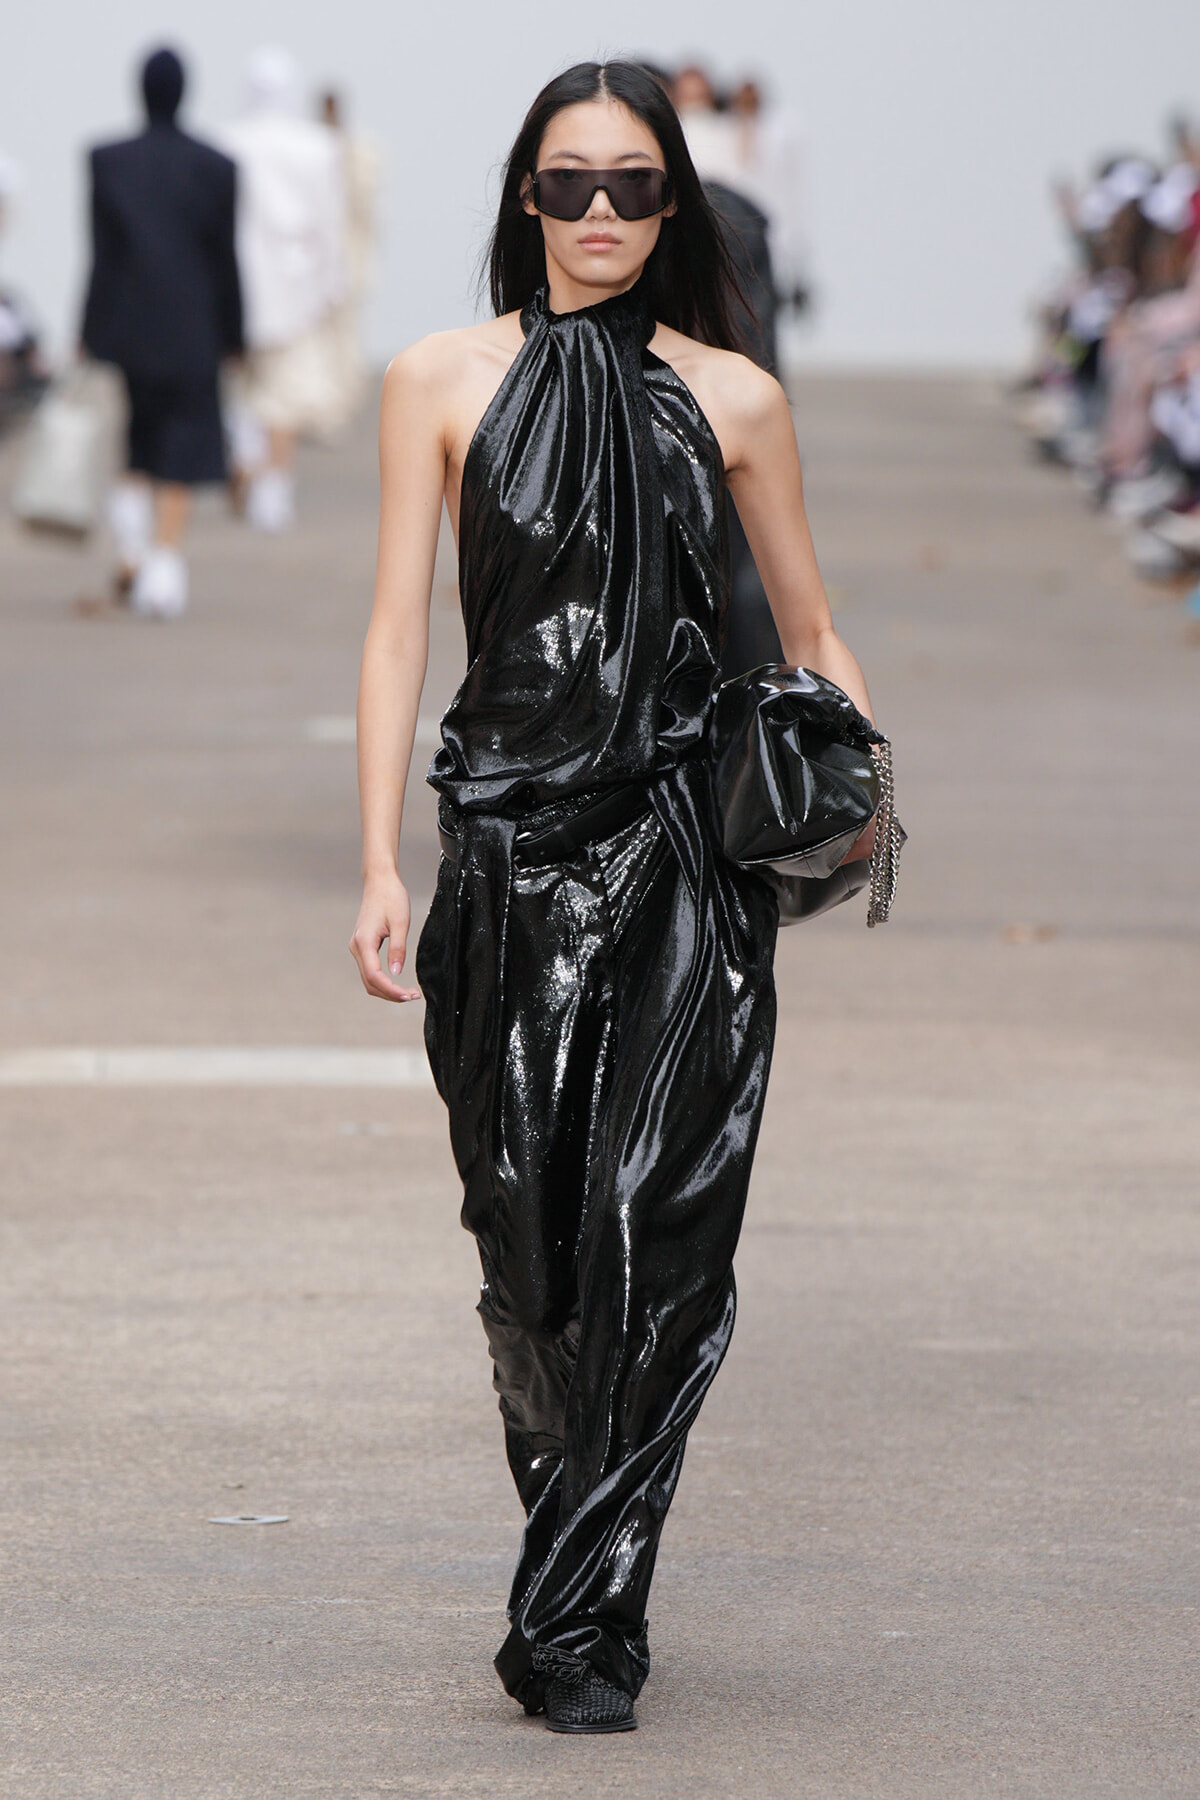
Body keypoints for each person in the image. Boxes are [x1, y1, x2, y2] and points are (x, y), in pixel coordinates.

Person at [350, 60, 876, 1734]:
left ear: (673, 206)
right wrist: (378, 857)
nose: (597, 216)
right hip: (501, 853)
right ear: (523, 196)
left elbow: (808, 628)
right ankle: (579, 1541)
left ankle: (582, 1619)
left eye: (632, 187)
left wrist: (856, 779)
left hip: (677, 860)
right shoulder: (435, 380)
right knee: (533, 1248)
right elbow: (392, 632)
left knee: (662, 1231)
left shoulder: (736, 398)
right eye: (567, 184)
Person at [79, 47, 242, 617]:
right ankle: (164, 564)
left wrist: (89, 333)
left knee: (138, 440)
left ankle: (131, 549)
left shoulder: (106, 160)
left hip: (131, 326)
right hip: (194, 326)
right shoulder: (217, 166)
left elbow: (102, 258)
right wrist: (234, 335)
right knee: (186, 443)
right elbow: (225, 260)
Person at [221, 48, 346, 532]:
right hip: (294, 280)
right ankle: (272, 487)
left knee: (241, 386)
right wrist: (332, 282)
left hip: (236, 277)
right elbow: (329, 221)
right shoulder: (315, 146)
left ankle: (247, 457)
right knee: (284, 390)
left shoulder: (226, 142)